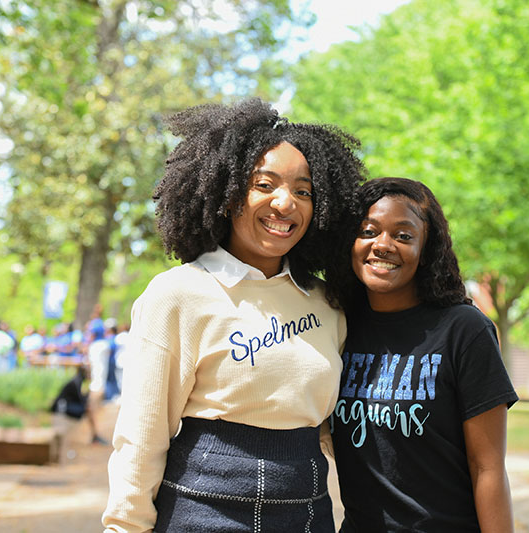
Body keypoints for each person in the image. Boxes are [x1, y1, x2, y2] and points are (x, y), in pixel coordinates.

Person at [102, 98, 364, 532]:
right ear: (226, 193)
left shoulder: (326, 304)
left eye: (304, 191)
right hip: (204, 512)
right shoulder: (178, 295)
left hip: (307, 512)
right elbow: (141, 437)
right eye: (265, 184)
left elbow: (331, 432)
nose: (286, 203)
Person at [325, 177, 518, 533]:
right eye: (368, 231)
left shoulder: (464, 330)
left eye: (403, 236)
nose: (382, 245)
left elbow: (487, 467)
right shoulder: (335, 324)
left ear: (426, 249)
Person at [49, 365, 106, 444]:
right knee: (88, 409)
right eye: (89, 373)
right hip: (62, 408)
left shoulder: (78, 381)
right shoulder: (75, 382)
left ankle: (95, 435)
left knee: (89, 408)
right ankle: (95, 435)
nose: (90, 375)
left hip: (67, 406)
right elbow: (81, 400)